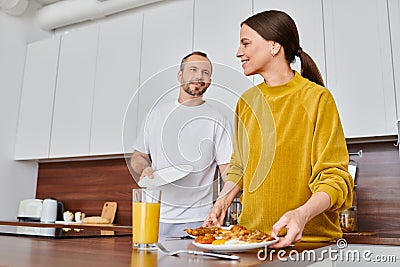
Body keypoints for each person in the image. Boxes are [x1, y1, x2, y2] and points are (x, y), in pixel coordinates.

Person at [203, 10, 354, 249]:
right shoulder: (247, 102)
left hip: (308, 244)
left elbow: (334, 177)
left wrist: (302, 214)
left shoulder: (317, 99)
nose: (238, 52)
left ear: (274, 46)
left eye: (246, 43)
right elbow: (240, 166)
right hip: (251, 241)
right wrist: (221, 203)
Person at [130, 51, 232, 237]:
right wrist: (145, 168)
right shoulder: (155, 114)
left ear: (210, 80)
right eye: (193, 69)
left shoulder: (218, 119)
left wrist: (224, 205)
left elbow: (228, 171)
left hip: (198, 218)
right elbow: (138, 156)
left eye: (206, 72)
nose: (199, 76)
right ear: (180, 75)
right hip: (153, 214)